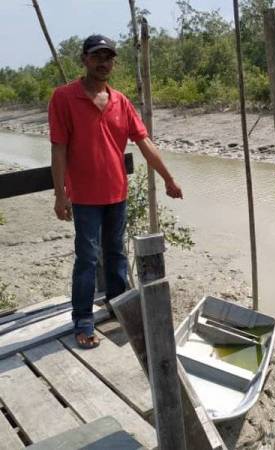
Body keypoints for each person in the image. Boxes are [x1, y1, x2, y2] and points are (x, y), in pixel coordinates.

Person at [48, 34, 183, 349]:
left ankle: (118, 308)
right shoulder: (64, 97)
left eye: (108, 57)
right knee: (86, 258)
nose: (103, 62)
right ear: (84, 60)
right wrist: (59, 193)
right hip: (83, 197)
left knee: (117, 255)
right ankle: (82, 319)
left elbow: (144, 142)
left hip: (116, 194)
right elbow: (59, 148)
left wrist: (168, 178)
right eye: (97, 56)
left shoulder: (120, 101)